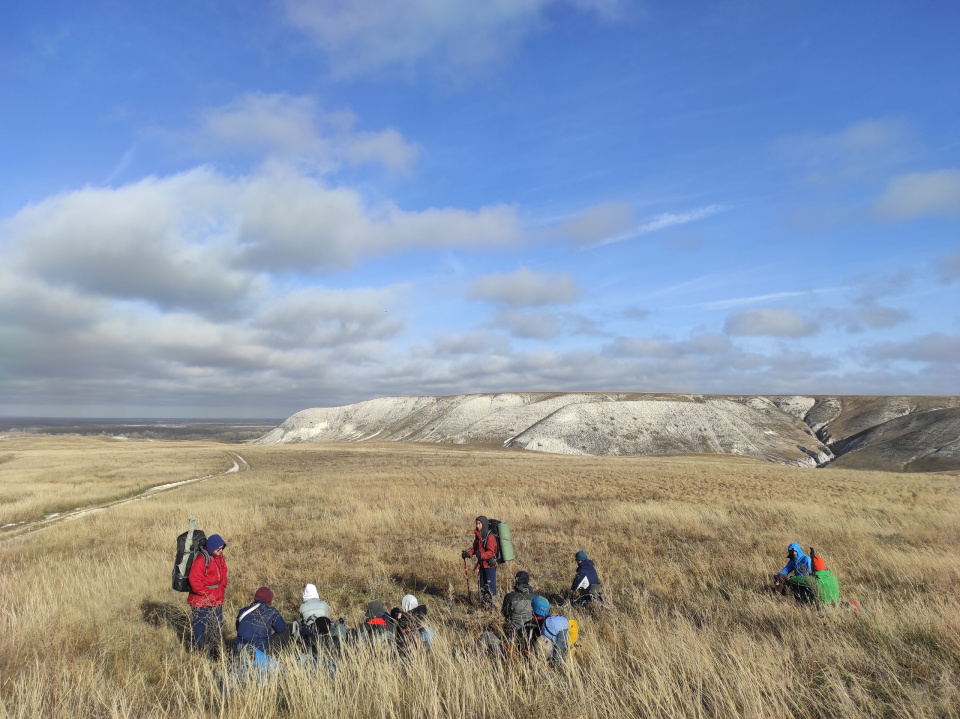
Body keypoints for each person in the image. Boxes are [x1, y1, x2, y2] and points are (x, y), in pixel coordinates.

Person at [187, 533, 227, 652]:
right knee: (200, 627)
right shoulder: (200, 560)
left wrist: (222, 585)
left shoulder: (220, 556)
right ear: (211, 548)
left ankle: (213, 650)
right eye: (218, 548)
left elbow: (224, 571)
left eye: (222, 547)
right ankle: (199, 650)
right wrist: (206, 594)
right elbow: (194, 580)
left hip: (217, 598)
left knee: (216, 625)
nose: (220, 550)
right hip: (201, 601)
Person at [236, 586, 288, 654]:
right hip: (260, 650)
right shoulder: (271, 611)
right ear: (269, 599)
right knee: (285, 631)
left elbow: (238, 628)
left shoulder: (243, 611)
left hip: (240, 649)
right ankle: (276, 654)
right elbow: (282, 628)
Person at [462, 515, 498, 605]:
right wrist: (468, 554)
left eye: (479, 524)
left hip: (489, 565)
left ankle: (492, 604)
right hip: (482, 565)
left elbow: (491, 552)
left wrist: (481, 555)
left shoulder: (490, 537)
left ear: (484, 524)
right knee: (482, 585)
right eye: (476, 523)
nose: (477, 526)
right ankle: (484, 603)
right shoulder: (478, 536)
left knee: (490, 586)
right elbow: (475, 548)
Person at [501, 571, 535, 641]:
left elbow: (505, 614)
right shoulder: (535, 596)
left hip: (514, 631)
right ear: (527, 580)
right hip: (531, 631)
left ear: (516, 580)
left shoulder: (509, 596)